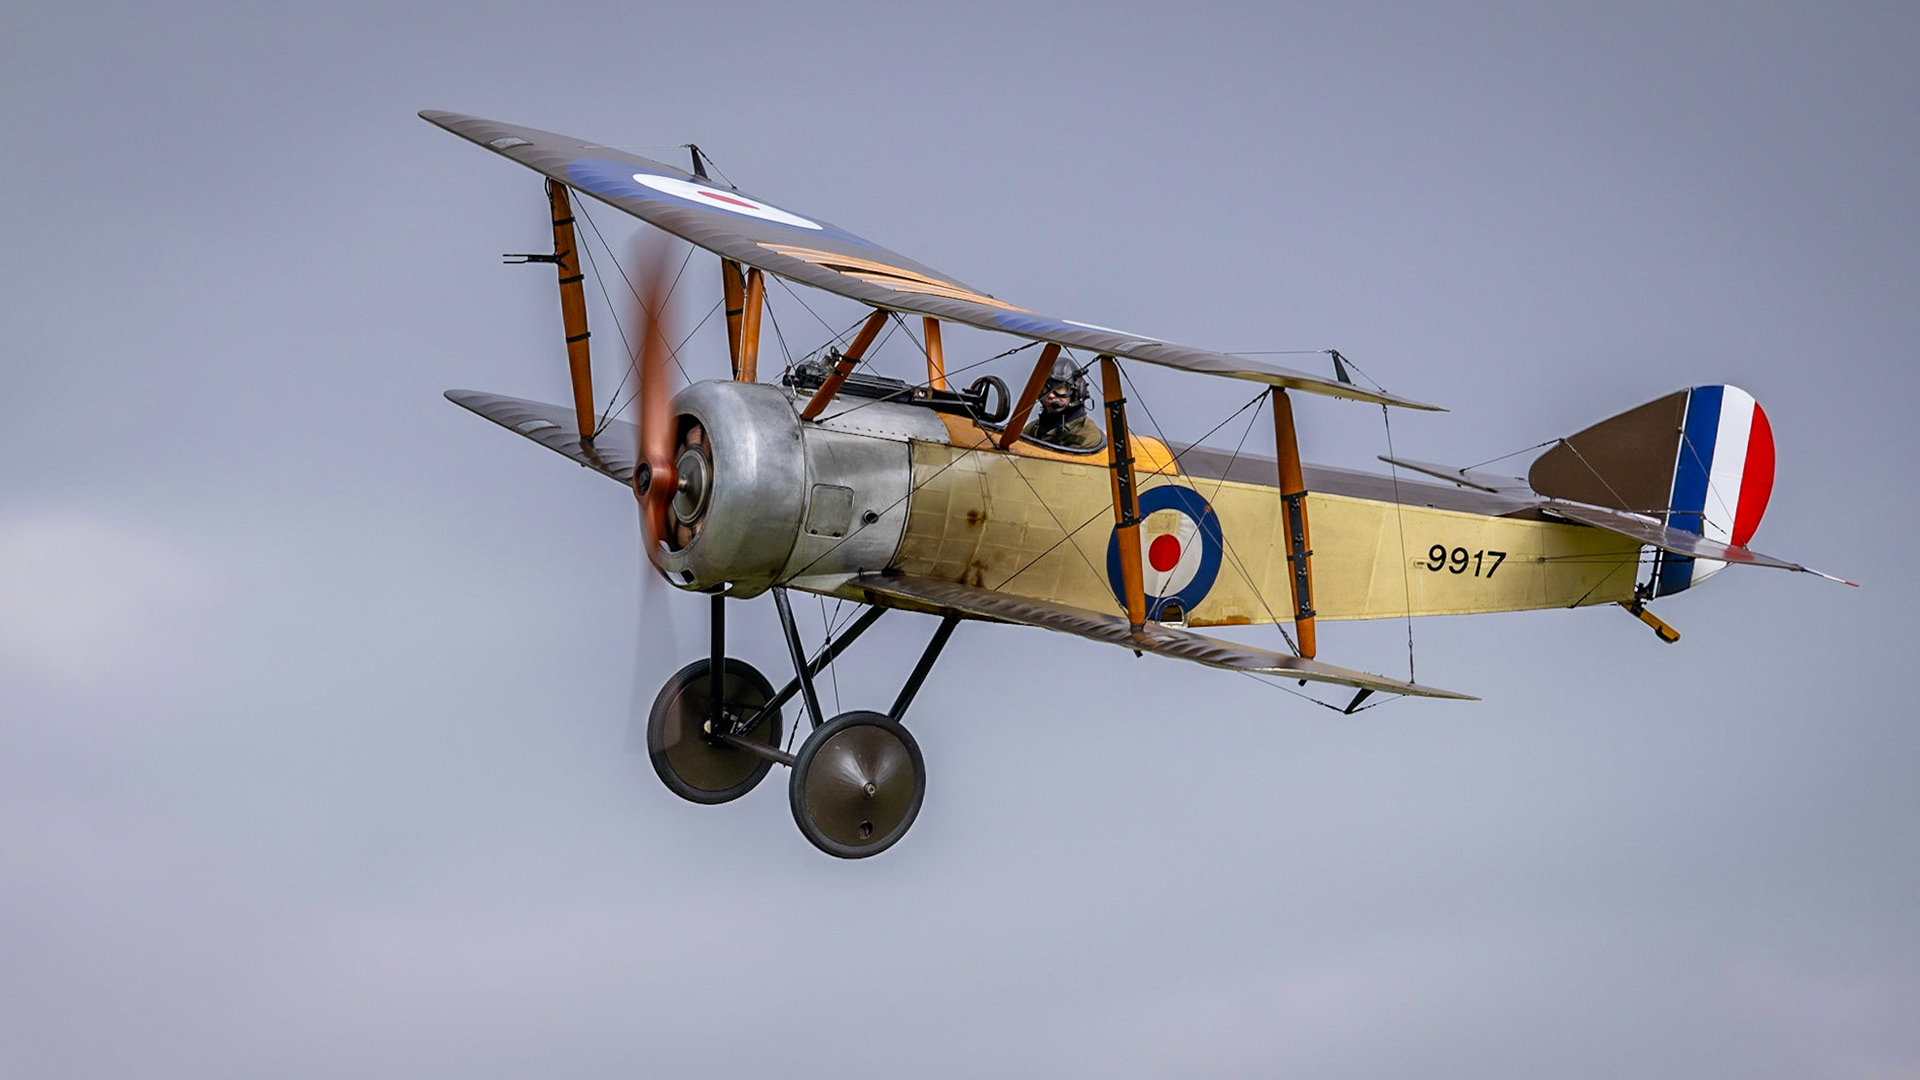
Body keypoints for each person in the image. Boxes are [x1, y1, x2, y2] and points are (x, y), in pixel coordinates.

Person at [1021, 356, 1104, 450]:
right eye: (1045, 388)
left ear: (1076, 392)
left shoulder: (1086, 433)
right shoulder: (1033, 428)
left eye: (1059, 388)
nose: (1050, 395)